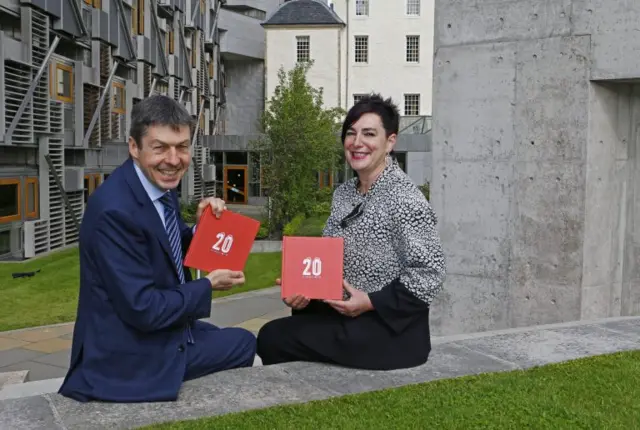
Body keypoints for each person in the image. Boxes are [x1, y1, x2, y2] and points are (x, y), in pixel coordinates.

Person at [59, 95, 256, 403]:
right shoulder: (114, 211)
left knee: (219, 335)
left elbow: (167, 239)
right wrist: (207, 284)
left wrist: (203, 229)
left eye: (182, 146)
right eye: (160, 147)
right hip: (126, 355)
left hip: (147, 332)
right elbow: (145, 309)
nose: (174, 159)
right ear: (134, 147)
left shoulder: (153, 185)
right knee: (244, 342)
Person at [256, 94, 446, 370]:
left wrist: (370, 302)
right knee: (282, 329)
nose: (357, 143)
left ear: (390, 141)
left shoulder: (406, 198)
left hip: (387, 329)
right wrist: (303, 289)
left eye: (369, 134)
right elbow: (329, 262)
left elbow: (430, 274)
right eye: (351, 133)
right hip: (342, 314)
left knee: (274, 337)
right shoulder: (344, 194)